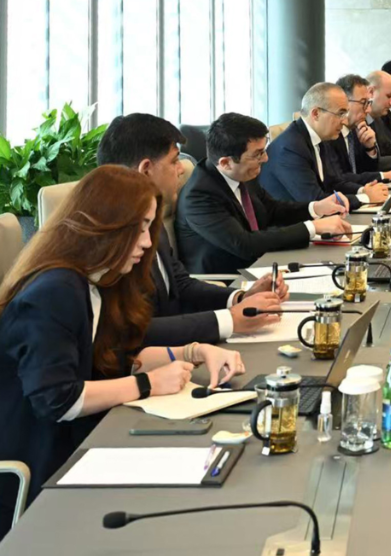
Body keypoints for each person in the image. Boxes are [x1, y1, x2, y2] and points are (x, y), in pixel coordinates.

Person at [0, 167, 245, 536]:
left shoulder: (97, 280)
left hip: (80, 445)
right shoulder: (54, 291)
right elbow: (58, 400)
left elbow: (114, 359)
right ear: (105, 225)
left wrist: (195, 351)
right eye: (140, 227)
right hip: (39, 473)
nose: (147, 243)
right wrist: (147, 385)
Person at [96, 114, 288, 345]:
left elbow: (181, 284)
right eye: (174, 161)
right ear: (145, 169)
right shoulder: (108, 238)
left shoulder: (150, 216)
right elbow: (131, 330)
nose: (181, 169)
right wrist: (229, 320)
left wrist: (241, 297)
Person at [175, 113, 351, 276]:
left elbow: (272, 209)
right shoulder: (199, 196)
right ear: (226, 163)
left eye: (264, 150)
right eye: (257, 154)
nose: (266, 158)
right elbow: (245, 244)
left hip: (262, 266)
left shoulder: (242, 173)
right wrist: (313, 227)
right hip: (229, 281)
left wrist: (316, 207)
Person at [258, 82, 388, 207]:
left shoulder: (320, 137)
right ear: (316, 114)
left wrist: (362, 190)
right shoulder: (290, 148)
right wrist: (365, 198)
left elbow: (333, 182)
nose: (344, 121)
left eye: (346, 113)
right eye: (340, 113)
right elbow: (315, 201)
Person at [329, 74, 391, 188]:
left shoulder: (356, 130)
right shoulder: (330, 135)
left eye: (369, 103)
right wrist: (383, 175)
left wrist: (370, 149)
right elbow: (341, 178)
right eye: (364, 103)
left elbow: (363, 170)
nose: (368, 110)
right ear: (344, 102)